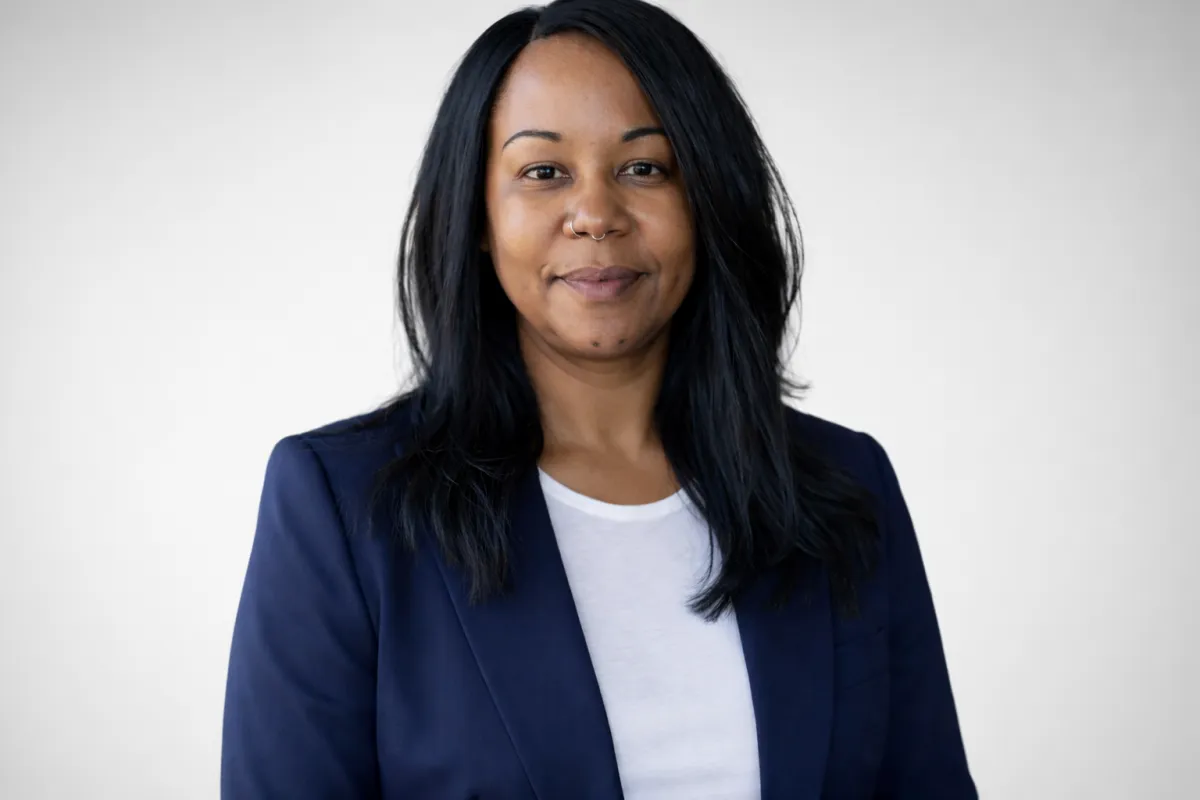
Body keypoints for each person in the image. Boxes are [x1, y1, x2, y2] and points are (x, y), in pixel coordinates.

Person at [220, 0, 976, 797]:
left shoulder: (844, 487)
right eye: (543, 173)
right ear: (478, 215)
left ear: (708, 197)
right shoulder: (344, 505)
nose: (596, 216)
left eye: (644, 168)